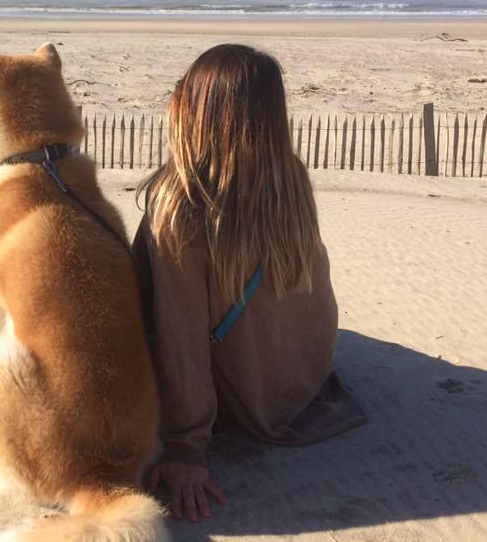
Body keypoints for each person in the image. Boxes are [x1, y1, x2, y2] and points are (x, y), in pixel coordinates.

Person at [133, 44, 366, 523]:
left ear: (198, 111)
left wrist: (186, 448)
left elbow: (181, 337)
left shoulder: (180, 205)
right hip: (303, 375)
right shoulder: (290, 179)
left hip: (244, 396)